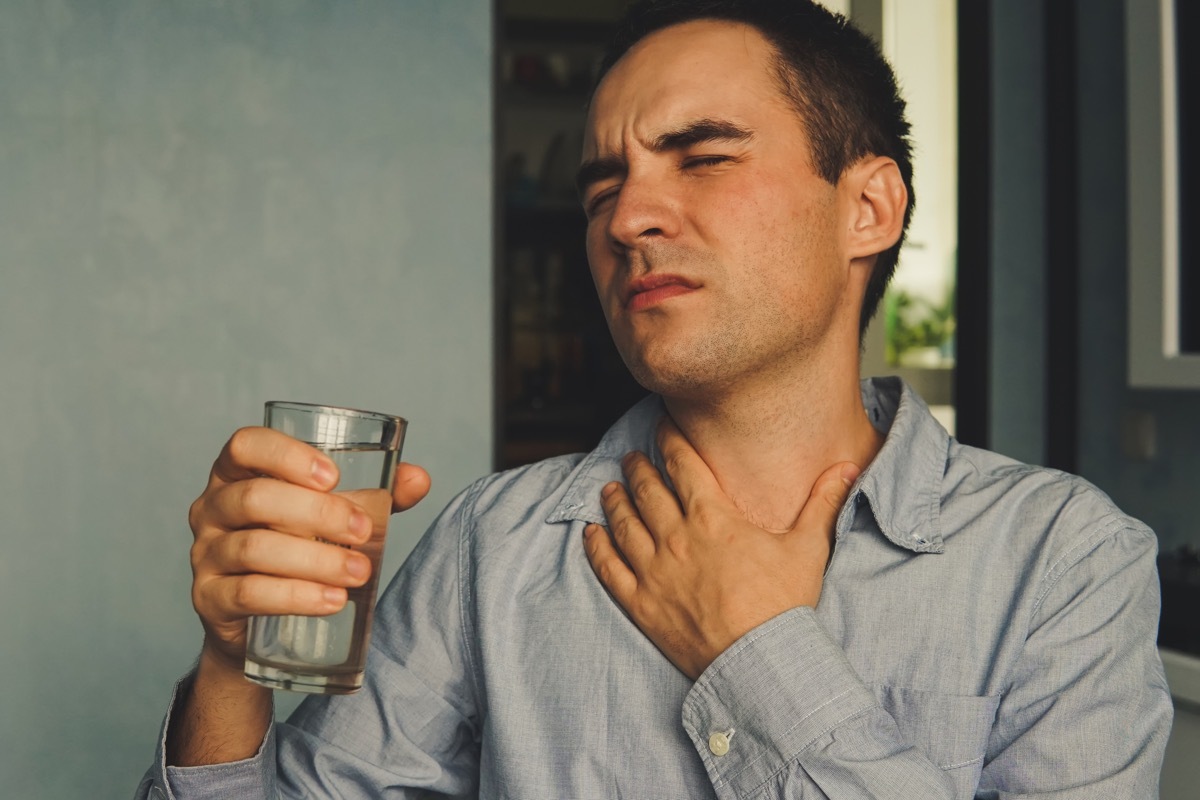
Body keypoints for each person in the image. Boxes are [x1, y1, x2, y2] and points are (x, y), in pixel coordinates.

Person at [137, 1, 1173, 797]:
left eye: (704, 157)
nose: (627, 215)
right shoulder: (488, 548)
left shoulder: (1066, 563)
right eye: (601, 189)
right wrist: (231, 667)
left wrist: (757, 653)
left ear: (868, 206)